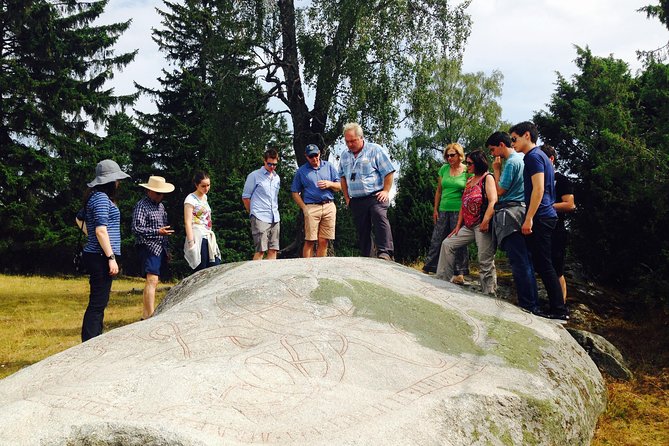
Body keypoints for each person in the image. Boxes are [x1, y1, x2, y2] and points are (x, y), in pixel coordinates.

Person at [510, 121, 569, 321]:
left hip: (541, 216)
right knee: (543, 263)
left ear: (527, 135)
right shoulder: (541, 156)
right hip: (546, 216)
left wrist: (529, 219)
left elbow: (539, 189)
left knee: (544, 264)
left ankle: (559, 310)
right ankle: (555, 307)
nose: (512, 143)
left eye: (514, 139)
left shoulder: (533, 157)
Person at [487, 131, 540, 313]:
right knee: (526, 260)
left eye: (493, 150)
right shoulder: (522, 159)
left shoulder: (510, 162)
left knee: (518, 261)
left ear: (502, 145)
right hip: (523, 211)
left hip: (510, 214)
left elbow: (499, 190)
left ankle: (528, 304)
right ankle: (532, 302)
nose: (493, 154)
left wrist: (495, 170)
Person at [80, 159, 130, 342]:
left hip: (97, 253)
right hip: (101, 256)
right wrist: (110, 257)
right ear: (110, 181)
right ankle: (90, 341)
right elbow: (101, 230)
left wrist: (92, 238)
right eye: (117, 180)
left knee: (99, 301)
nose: (118, 183)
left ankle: (93, 338)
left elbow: (80, 220)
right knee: (98, 303)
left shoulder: (95, 197)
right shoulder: (101, 198)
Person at [436, 150, 497, 295]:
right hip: (468, 226)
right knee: (447, 243)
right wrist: (458, 226)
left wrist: (486, 220)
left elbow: (493, 201)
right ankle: (441, 280)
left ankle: (489, 292)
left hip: (482, 224)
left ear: (478, 163)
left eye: (470, 163)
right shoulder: (469, 180)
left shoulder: (487, 178)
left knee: (484, 259)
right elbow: (463, 204)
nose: (467, 165)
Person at [339, 122, 395, 260]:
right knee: (362, 228)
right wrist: (346, 198)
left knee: (379, 217)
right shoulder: (345, 155)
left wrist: (386, 191)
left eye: (353, 141)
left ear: (361, 137)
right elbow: (342, 178)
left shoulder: (375, 150)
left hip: (375, 196)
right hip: (356, 199)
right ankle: (367, 256)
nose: (350, 144)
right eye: (347, 142)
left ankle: (385, 252)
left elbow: (389, 171)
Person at [422, 143, 470, 282]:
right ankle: (429, 266)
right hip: (443, 208)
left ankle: (459, 272)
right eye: (447, 155)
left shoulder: (467, 170)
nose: (449, 158)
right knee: (437, 238)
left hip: (459, 209)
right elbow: (439, 190)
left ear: (460, 155)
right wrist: (435, 209)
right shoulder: (443, 169)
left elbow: (469, 191)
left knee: (458, 240)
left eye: (452, 155)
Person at [132, 176, 175, 319]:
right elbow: (136, 228)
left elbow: (165, 229)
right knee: (152, 280)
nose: (160, 196)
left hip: (160, 248)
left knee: (154, 281)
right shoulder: (141, 205)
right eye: (158, 193)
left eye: (162, 193)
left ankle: (146, 315)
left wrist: (167, 249)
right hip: (148, 247)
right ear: (149, 191)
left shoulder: (161, 206)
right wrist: (157, 232)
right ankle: (149, 316)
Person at [539, 144, 576, 303]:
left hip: (557, 229)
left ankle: (561, 305)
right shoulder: (536, 179)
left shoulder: (561, 179)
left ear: (551, 159)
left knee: (557, 269)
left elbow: (569, 204)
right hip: (539, 229)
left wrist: (545, 206)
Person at [291, 144, 341, 257]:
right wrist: (304, 208)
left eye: (316, 155)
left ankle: (320, 269)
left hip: (329, 206)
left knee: (324, 241)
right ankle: (307, 271)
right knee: (310, 240)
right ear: (306, 156)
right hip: (311, 207)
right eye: (311, 156)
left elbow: (340, 186)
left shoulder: (328, 166)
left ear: (320, 153)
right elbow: (294, 192)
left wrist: (329, 184)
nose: (314, 158)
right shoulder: (301, 171)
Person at [242, 148, 281, 260]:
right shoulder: (254, 176)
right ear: (264, 161)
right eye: (269, 164)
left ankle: (270, 276)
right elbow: (245, 197)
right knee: (261, 250)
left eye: (275, 164)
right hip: (259, 216)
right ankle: (255, 276)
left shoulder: (276, 178)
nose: (272, 167)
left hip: (275, 217)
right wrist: (253, 213)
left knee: (273, 249)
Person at [184, 171, 221, 271]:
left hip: (208, 235)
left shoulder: (205, 197)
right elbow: (187, 222)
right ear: (196, 185)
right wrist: (191, 243)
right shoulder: (190, 199)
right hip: (197, 236)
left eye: (208, 185)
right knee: (201, 268)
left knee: (214, 267)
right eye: (203, 186)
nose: (206, 188)